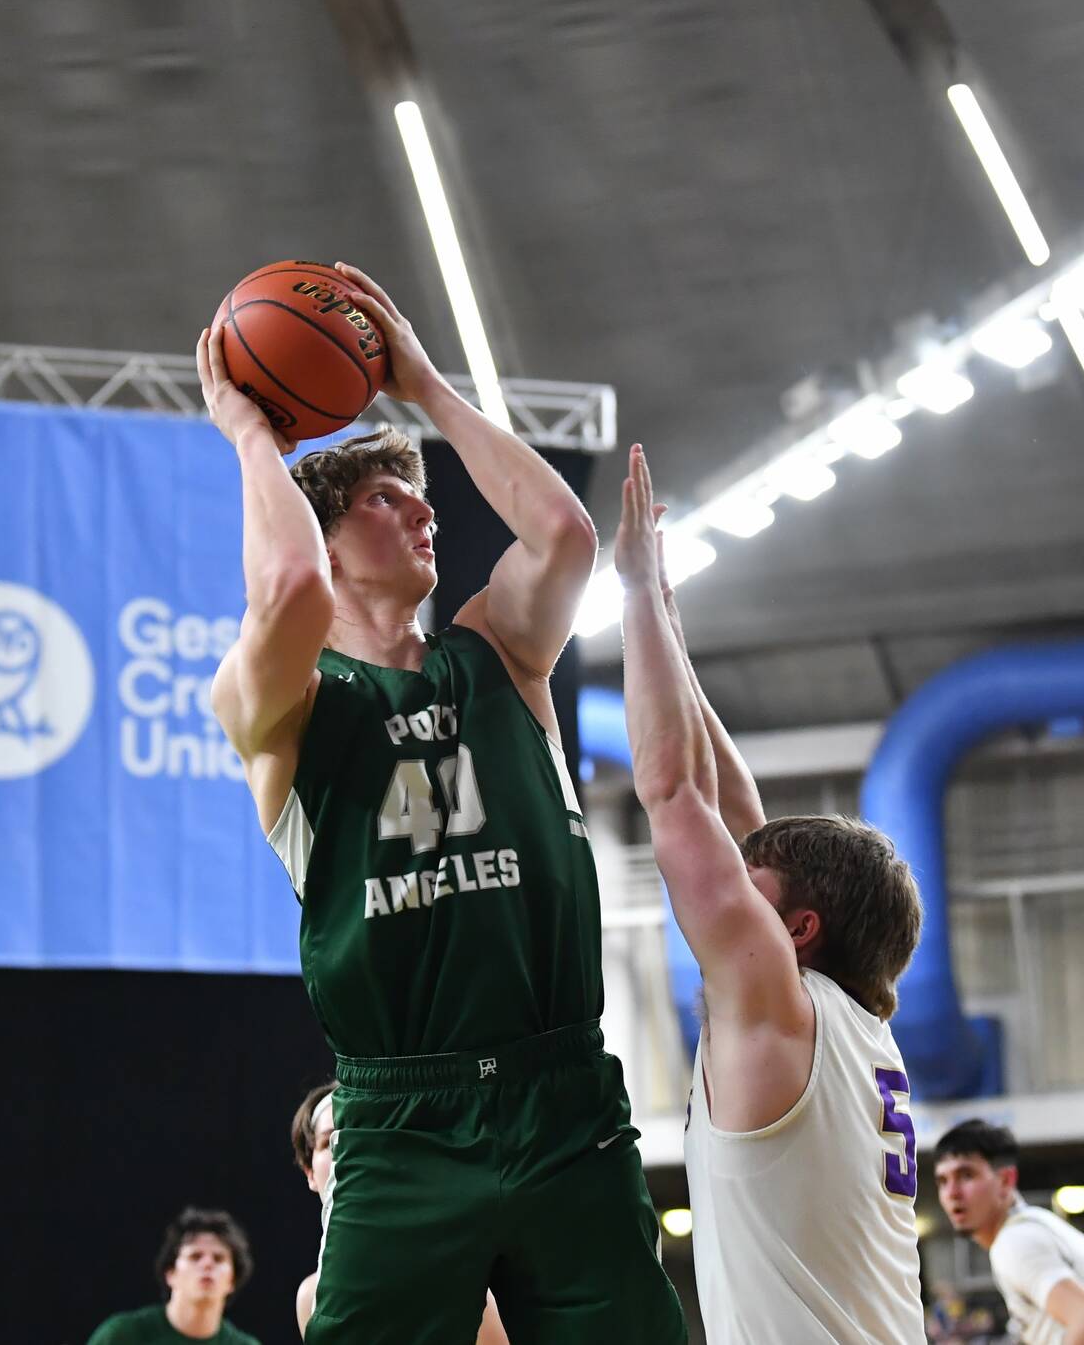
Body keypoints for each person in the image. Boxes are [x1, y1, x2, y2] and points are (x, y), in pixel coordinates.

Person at [197, 263, 682, 1344]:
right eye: (383, 498)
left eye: (419, 493)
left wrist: (419, 382)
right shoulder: (276, 708)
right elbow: (283, 593)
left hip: (561, 1090)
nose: (425, 509)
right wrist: (248, 437)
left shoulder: (500, 654)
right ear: (325, 540)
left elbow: (562, 535)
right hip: (401, 1116)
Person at [613, 441, 927, 1345]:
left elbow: (675, 795)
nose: (730, 883)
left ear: (796, 928)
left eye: (751, 888)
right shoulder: (849, 1025)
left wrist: (636, 589)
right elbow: (733, 815)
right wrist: (666, 623)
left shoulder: (782, 1011)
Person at [286, 1082, 508, 1343]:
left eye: (358, 1138)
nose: (346, 1155)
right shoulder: (309, 1295)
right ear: (309, 1172)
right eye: (331, 1141)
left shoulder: (462, 1269)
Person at [934, 1118, 1084, 1345]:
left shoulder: (1015, 1241)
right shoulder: (1039, 1224)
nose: (952, 1193)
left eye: (966, 1175)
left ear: (1005, 1180)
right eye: (943, 1181)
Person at [85, 1208, 262, 1345]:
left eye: (218, 1258)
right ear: (170, 1274)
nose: (207, 1264)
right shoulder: (122, 1335)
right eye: (195, 1256)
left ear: (232, 1281)